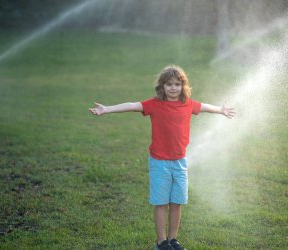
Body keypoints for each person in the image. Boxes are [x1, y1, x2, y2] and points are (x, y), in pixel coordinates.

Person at [89, 65, 235, 250]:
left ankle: (173, 240)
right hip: (159, 163)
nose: (173, 88)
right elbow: (133, 105)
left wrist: (220, 110)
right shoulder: (154, 104)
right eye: (169, 84)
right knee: (161, 203)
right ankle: (161, 242)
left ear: (183, 86)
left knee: (176, 202)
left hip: (180, 163)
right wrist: (107, 109)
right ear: (162, 87)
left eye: (177, 84)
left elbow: (205, 107)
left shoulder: (188, 104)